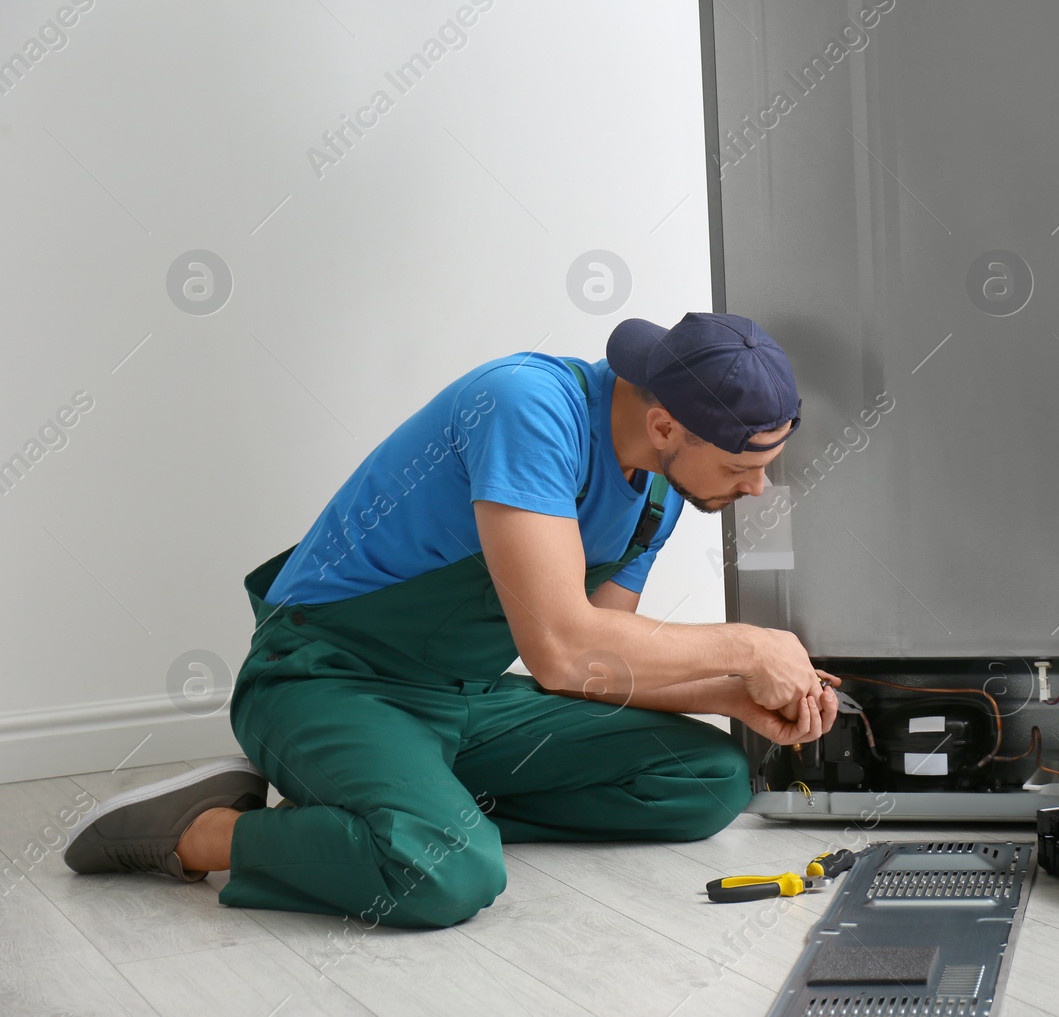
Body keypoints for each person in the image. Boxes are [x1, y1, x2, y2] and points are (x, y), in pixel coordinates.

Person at [64, 312, 838, 928]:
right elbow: (563, 649)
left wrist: (727, 693)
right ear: (666, 424)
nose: (759, 487)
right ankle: (202, 831)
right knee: (448, 871)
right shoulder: (529, 409)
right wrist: (743, 644)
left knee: (709, 780)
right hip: (325, 677)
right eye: (743, 466)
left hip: (460, 695)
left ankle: (389, 806)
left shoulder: (659, 493)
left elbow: (596, 674)